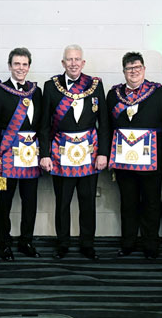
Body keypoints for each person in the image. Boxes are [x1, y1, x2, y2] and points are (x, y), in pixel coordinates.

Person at [40, 44, 108, 260]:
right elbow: (43, 124)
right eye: (69, 59)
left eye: (77, 59)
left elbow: (104, 122)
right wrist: (45, 154)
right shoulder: (51, 86)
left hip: (89, 152)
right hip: (61, 152)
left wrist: (103, 153)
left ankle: (88, 243)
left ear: (83, 62)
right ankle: (63, 243)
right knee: (63, 202)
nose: (73, 63)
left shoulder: (96, 85)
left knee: (88, 201)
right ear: (63, 63)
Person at [107, 51, 162, 260]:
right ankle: (128, 243)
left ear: (144, 69)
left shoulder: (160, 93)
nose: (134, 72)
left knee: (151, 203)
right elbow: (108, 128)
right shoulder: (114, 95)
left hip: (152, 161)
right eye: (129, 68)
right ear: (124, 72)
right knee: (127, 203)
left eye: (137, 68)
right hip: (123, 162)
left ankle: (150, 244)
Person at [0, 47, 45, 261]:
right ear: (10, 66)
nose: (21, 68)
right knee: (5, 201)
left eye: (24, 64)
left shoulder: (36, 91)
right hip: (6, 154)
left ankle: (26, 241)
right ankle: (4, 243)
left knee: (30, 201)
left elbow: (42, 125)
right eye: (17, 64)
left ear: (29, 66)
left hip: (30, 155)